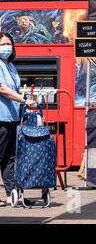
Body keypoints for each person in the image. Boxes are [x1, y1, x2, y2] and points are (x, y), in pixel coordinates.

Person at [0, 32, 36, 207]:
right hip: (1, 117)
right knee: (2, 156)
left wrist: (24, 103)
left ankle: (11, 194)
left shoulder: (11, 66)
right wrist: (23, 100)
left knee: (10, 157)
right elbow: (3, 89)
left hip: (13, 117)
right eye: (2, 44)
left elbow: (14, 89)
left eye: (9, 43)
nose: (6, 47)